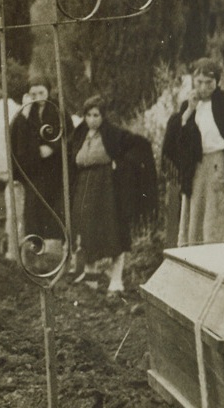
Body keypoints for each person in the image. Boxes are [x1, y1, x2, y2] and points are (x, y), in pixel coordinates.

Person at [67, 95, 157, 293]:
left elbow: (140, 145)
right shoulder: (79, 135)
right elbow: (70, 159)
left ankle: (116, 280)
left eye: (96, 115)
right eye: (89, 115)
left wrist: (121, 165)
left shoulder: (113, 134)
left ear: (103, 116)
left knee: (113, 232)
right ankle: (90, 279)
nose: (92, 120)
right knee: (86, 233)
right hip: (84, 188)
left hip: (107, 189)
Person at [162, 58, 224, 246]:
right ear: (193, 82)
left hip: (217, 166)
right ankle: (195, 253)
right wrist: (189, 111)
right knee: (196, 211)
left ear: (217, 82)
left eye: (209, 83)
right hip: (195, 168)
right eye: (199, 82)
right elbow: (177, 139)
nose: (203, 87)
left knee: (215, 212)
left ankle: (215, 252)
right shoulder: (188, 106)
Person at [10, 81, 73, 244]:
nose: (37, 98)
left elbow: (70, 136)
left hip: (55, 168)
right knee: (34, 206)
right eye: (33, 94)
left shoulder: (58, 110)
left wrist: (53, 147)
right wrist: (24, 114)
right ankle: (36, 246)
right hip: (35, 170)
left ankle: (58, 245)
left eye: (41, 93)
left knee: (56, 207)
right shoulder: (27, 113)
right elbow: (17, 139)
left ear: (48, 92)